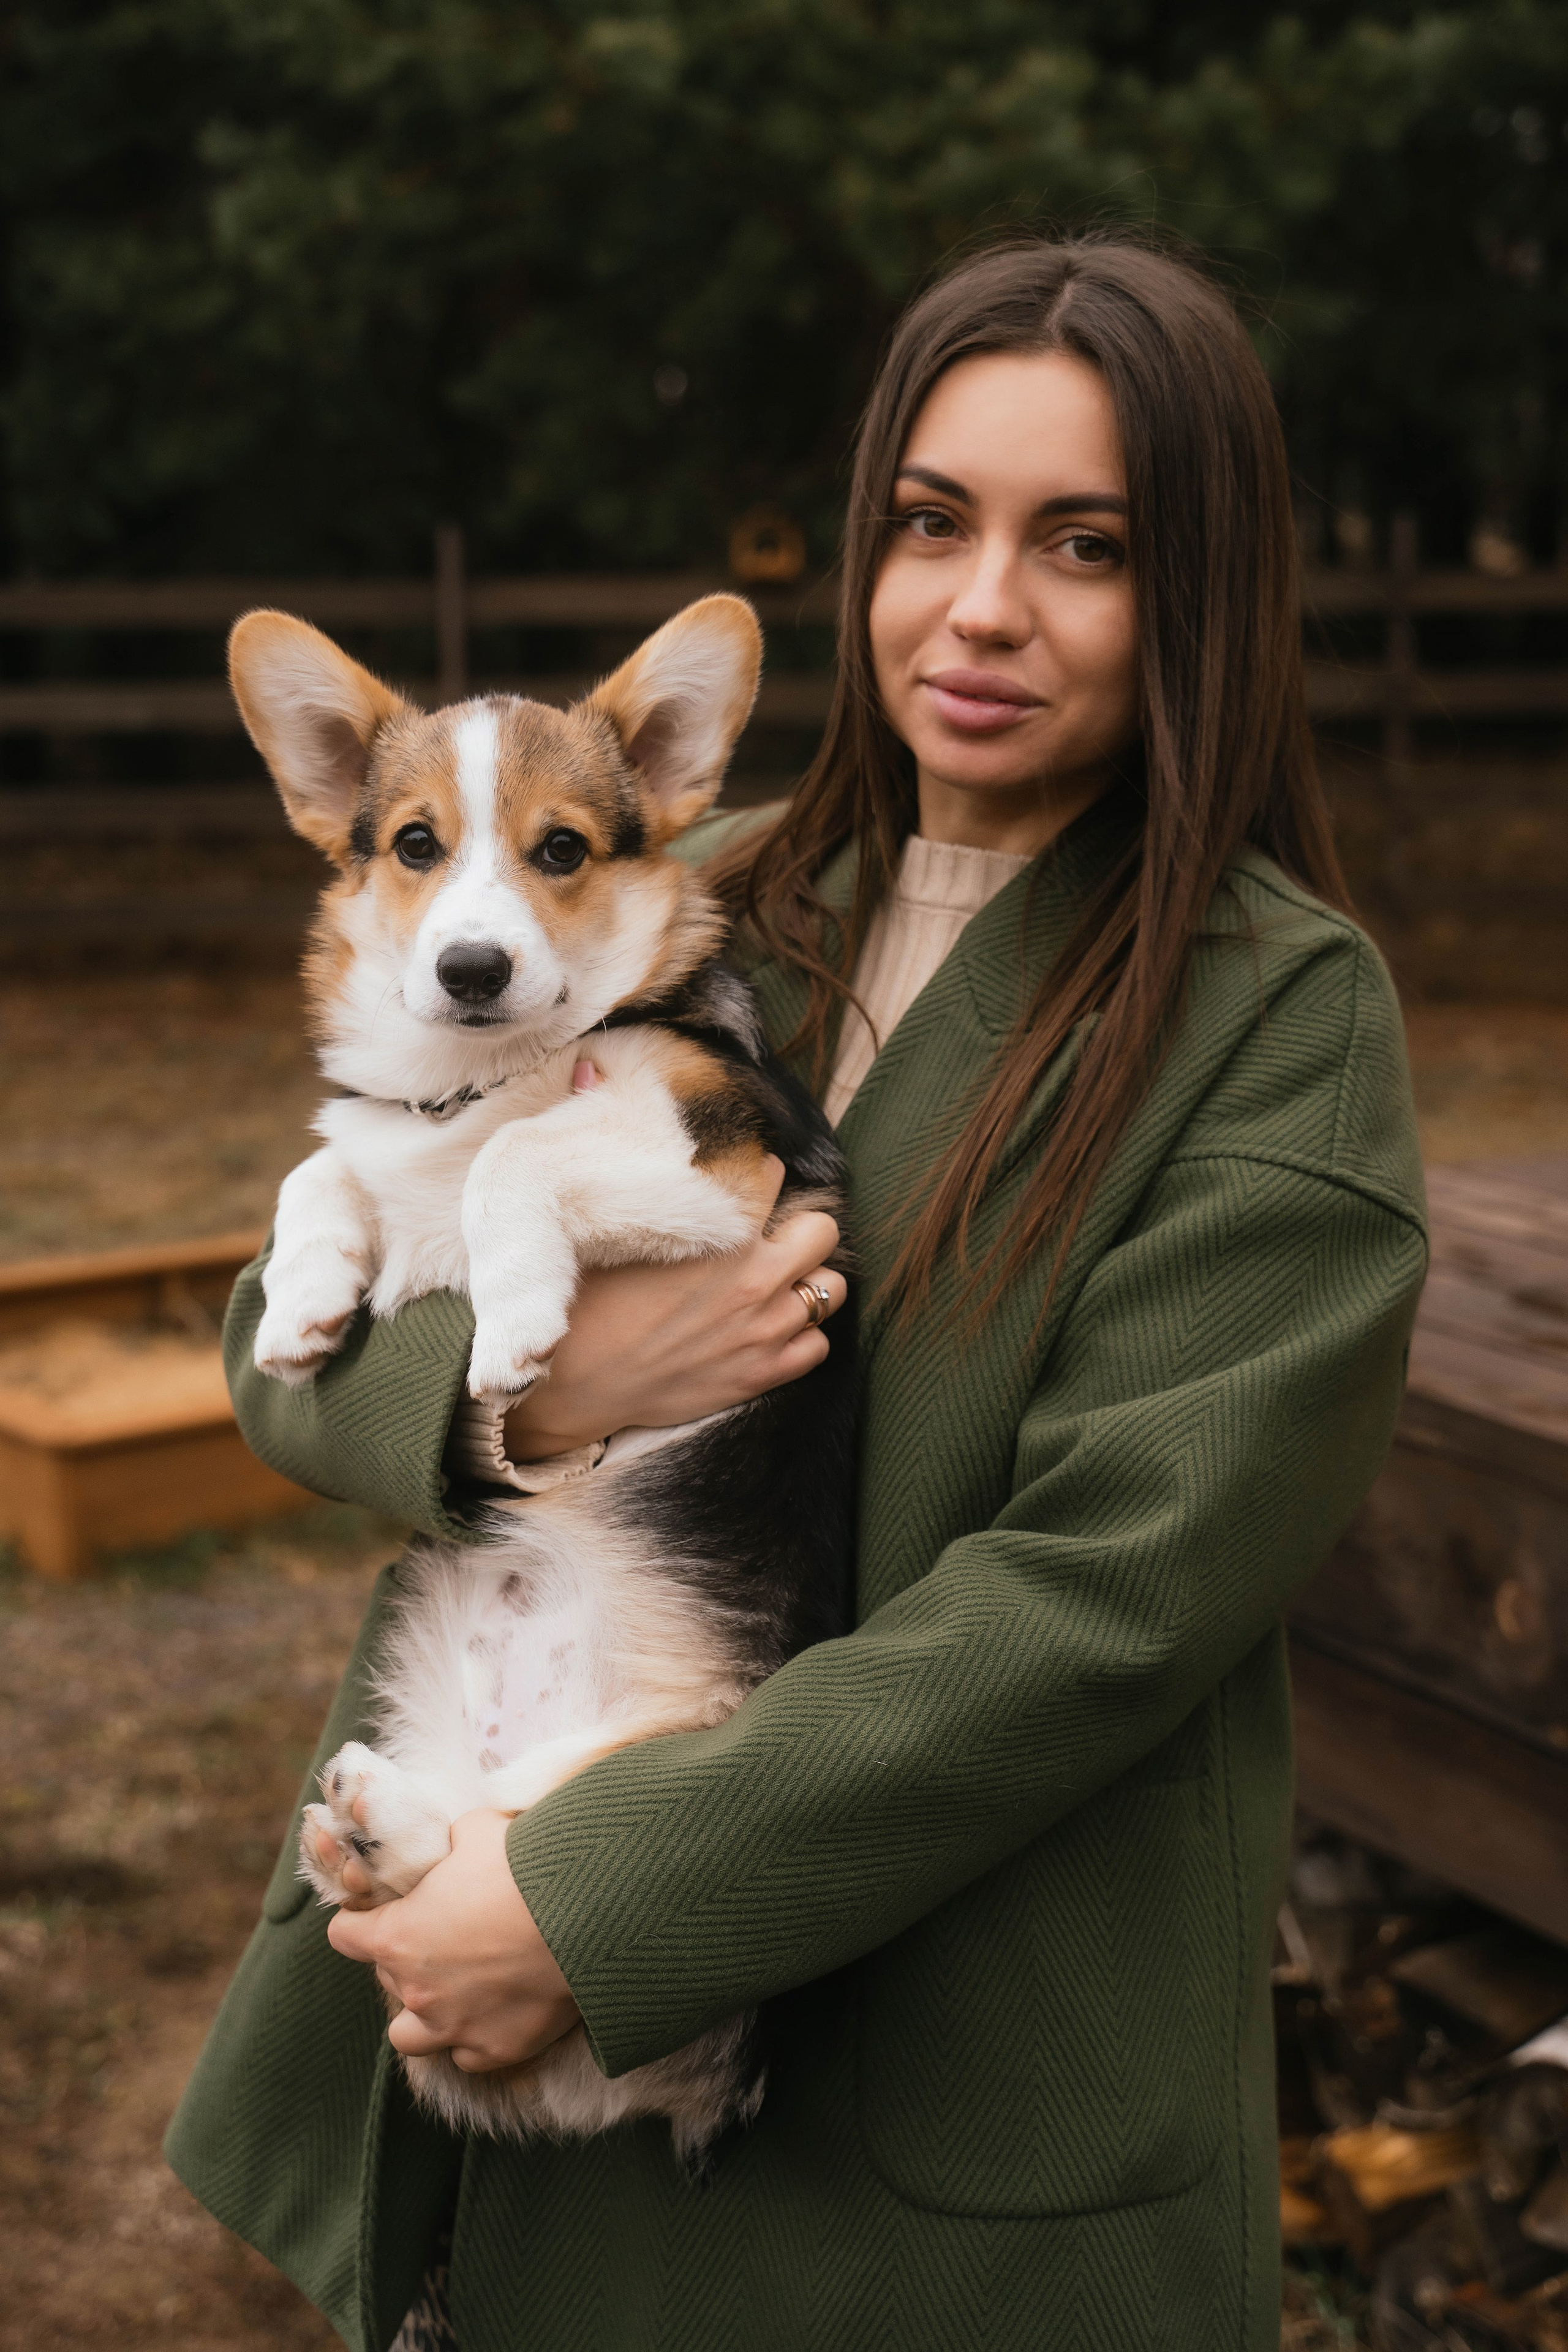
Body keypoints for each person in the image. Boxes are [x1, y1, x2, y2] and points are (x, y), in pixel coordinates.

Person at [167, 234, 1427, 2352]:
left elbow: (1097, 1608)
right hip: (521, 1965)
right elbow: (282, 1338)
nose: (982, 606)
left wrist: (585, 1901)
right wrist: (524, 1410)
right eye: (933, 523)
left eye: (1087, 544)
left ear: (1204, 589)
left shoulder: (1281, 1021)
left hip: (931, 2095)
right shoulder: (692, 887)